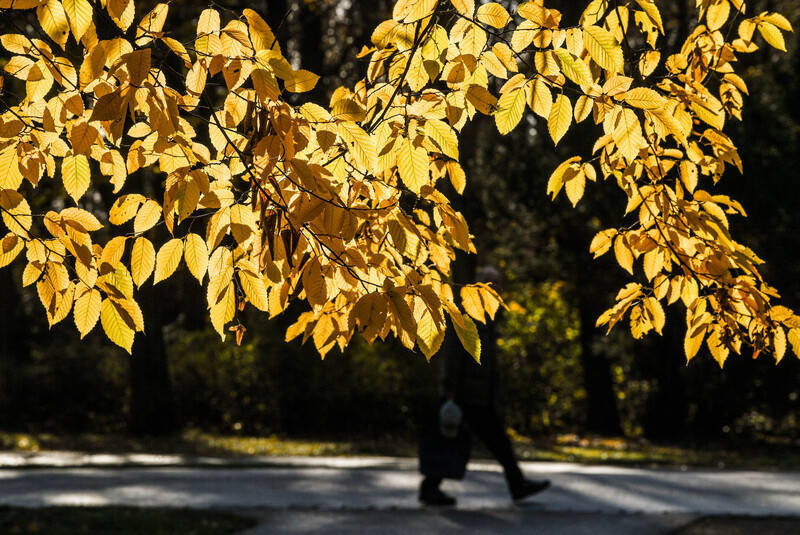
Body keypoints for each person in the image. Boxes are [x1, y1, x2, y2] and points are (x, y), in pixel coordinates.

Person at [418, 266, 551, 506]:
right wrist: (449, 392)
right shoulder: (466, 315)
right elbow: (453, 357)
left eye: (497, 283)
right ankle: (516, 484)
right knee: (488, 442)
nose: (495, 288)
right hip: (465, 395)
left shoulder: (489, 317)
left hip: (479, 395)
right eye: (490, 283)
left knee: (478, 442)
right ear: (478, 286)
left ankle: (431, 488)